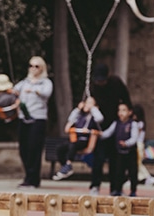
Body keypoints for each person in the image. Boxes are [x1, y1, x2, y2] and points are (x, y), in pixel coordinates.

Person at [89, 63, 131, 195]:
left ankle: (116, 187)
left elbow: (126, 100)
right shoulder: (93, 87)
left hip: (115, 124)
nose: (100, 83)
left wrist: (125, 117)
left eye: (102, 80)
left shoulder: (116, 83)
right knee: (98, 158)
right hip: (100, 127)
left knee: (116, 159)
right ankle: (95, 185)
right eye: (98, 80)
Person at [13, 56, 53, 189]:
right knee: (23, 148)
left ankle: (33, 179)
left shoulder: (45, 82)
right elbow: (14, 91)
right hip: (23, 118)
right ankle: (28, 176)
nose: (33, 69)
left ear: (42, 68)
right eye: (31, 66)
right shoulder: (25, 82)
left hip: (38, 119)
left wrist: (35, 90)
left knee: (34, 149)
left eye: (36, 66)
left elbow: (47, 93)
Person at [52, 96, 103, 181]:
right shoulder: (80, 115)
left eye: (91, 103)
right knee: (60, 148)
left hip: (86, 140)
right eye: (87, 102)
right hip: (76, 138)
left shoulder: (94, 117)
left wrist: (93, 108)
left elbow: (100, 118)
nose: (88, 105)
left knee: (73, 145)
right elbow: (69, 122)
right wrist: (78, 109)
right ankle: (66, 166)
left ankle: (68, 164)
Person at [100, 102, 139, 196]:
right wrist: (98, 134)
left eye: (124, 110)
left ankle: (133, 191)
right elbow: (107, 133)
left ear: (130, 112)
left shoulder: (133, 124)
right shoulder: (116, 123)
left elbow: (134, 138)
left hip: (130, 152)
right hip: (120, 152)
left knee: (133, 172)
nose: (121, 113)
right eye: (119, 110)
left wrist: (126, 143)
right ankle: (118, 189)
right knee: (118, 171)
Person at [133, 104, 154, 186]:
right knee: (135, 163)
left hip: (139, 144)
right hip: (138, 144)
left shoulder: (140, 124)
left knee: (137, 163)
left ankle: (148, 177)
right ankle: (135, 178)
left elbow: (136, 135)